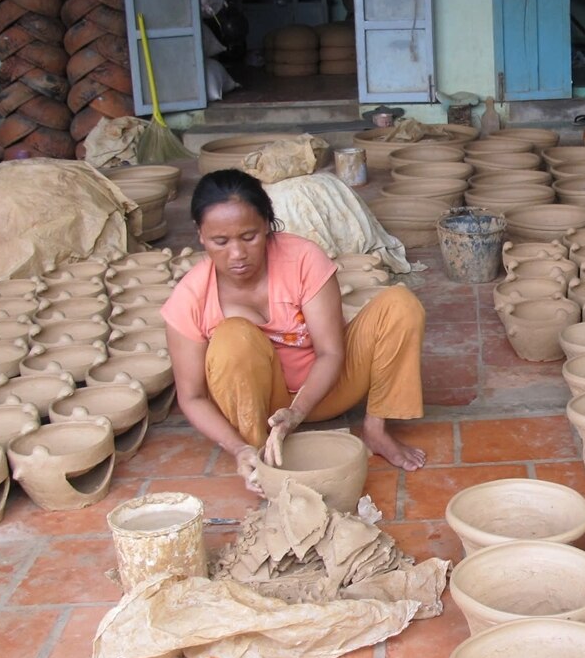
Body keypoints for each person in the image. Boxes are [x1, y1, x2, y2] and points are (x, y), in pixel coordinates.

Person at [161, 169, 428, 494]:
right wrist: (238, 448)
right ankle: (258, 452)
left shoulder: (302, 258)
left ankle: (376, 430)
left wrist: (297, 412)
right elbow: (192, 397)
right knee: (232, 336)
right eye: (221, 241)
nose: (237, 254)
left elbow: (330, 352)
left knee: (400, 303)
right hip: (258, 409)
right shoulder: (190, 297)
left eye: (250, 236)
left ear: (269, 226)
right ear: (200, 235)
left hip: (327, 389)